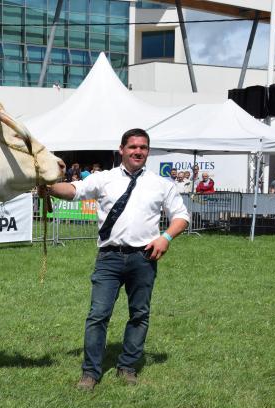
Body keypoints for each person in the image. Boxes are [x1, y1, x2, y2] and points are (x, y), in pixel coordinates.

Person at [44, 128, 190, 391]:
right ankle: (90, 373)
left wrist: (165, 238)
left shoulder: (161, 184)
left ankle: (128, 367)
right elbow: (73, 190)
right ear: (121, 149)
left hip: (144, 258)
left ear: (148, 151)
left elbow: (181, 216)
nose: (138, 151)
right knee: (98, 315)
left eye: (143, 147)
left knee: (139, 314)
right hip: (109, 258)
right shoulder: (104, 178)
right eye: (133, 147)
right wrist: (48, 186)